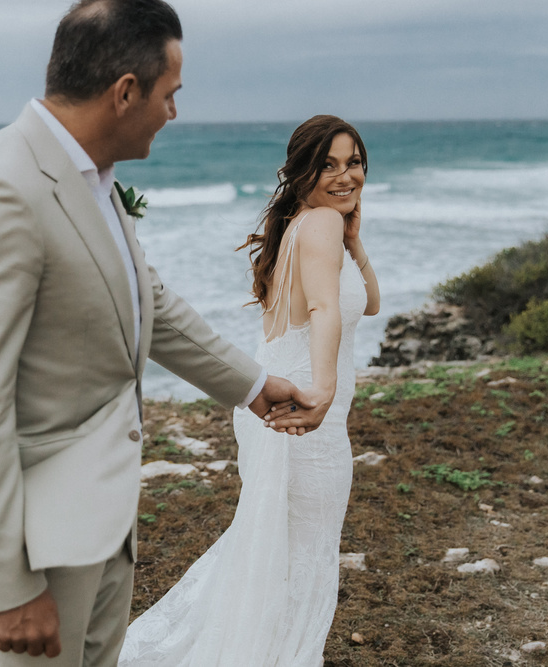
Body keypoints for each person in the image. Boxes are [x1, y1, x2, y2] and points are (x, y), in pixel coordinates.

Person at [0, 1, 320, 665]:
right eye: (170, 95)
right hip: (36, 544)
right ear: (126, 91)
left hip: (103, 524)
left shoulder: (94, 178)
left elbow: (146, 301)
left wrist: (255, 384)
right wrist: (4, 586)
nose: (174, 113)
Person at [118, 115, 381, 666]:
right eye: (327, 164)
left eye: (352, 162)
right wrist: (325, 390)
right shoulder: (320, 227)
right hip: (304, 411)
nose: (344, 176)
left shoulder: (314, 225)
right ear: (301, 171)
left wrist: (357, 243)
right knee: (298, 555)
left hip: (282, 406)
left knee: (270, 552)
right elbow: (323, 309)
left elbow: (369, 303)